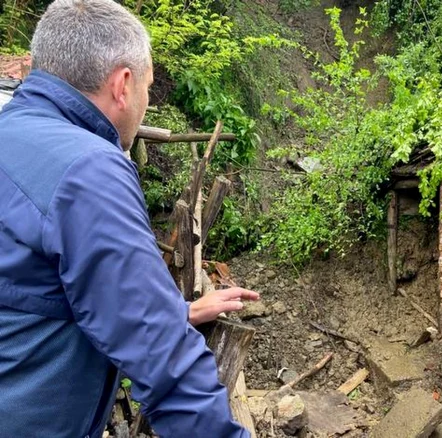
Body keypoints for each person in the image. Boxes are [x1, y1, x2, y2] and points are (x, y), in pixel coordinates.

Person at [0, 1, 259, 437]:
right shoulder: (87, 169)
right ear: (123, 85)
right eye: (147, 86)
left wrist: (176, 310)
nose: (144, 102)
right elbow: (164, 361)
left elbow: (33, 288)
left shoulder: (11, 134)